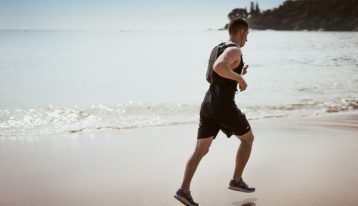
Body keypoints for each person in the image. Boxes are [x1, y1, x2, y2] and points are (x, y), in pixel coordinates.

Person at [174, 18, 255, 206]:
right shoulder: (235, 49)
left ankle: (183, 190)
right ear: (242, 32)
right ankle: (236, 180)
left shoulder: (218, 47)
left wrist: (236, 73)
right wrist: (240, 80)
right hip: (223, 106)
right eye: (248, 35)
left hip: (208, 104)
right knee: (248, 139)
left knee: (201, 150)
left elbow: (212, 76)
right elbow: (219, 67)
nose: (247, 40)